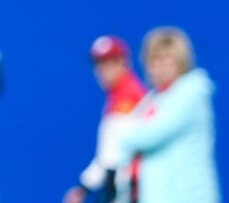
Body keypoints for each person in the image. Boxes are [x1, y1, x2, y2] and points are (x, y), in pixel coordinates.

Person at [115, 27, 220, 203]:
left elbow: (150, 134)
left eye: (166, 59)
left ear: (181, 61)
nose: (159, 67)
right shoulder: (152, 99)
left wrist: (125, 135)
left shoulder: (192, 91)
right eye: (154, 60)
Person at [64, 35, 146, 203]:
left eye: (110, 62)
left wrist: (88, 187)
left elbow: (114, 155)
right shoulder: (116, 96)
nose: (102, 70)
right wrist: (84, 187)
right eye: (99, 64)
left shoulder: (129, 95)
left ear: (124, 62)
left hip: (130, 189)